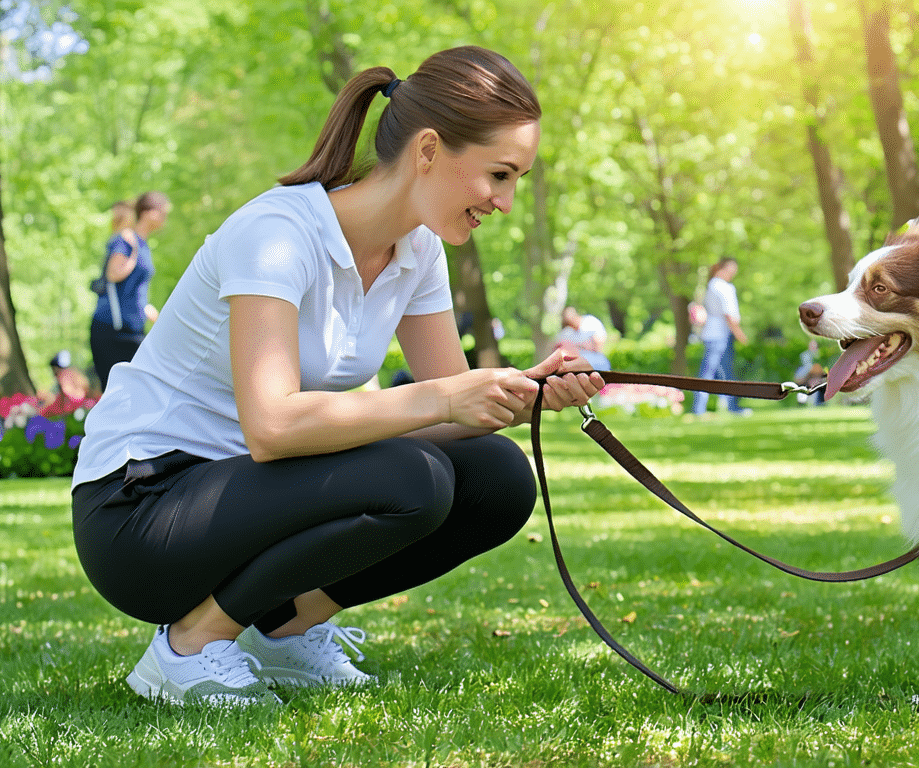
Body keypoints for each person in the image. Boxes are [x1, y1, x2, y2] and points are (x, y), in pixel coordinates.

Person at [69, 46, 603, 707]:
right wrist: (444, 396)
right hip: (142, 511)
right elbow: (272, 427)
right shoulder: (278, 234)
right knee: (412, 479)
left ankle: (283, 629)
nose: (506, 201)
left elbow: (450, 417)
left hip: (244, 500)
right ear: (429, 150)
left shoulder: (418, 251)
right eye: (499, 174)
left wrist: (525, 392)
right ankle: (189, 647)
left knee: (496, 476)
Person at [89, 192, 170, 389]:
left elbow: (133, 289)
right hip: (113, 330)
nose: (165, 220)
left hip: (132, 329)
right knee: (120, 393)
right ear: (149, 213)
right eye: (163, 213)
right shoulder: (125, 241)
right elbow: (113, 274)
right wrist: (132, 253)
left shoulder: (142, 244)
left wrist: (146, 309)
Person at [691, 257, 749, 416]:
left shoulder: (712, 285)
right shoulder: (721, 286)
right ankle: (699, 409)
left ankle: (732, 406)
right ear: (721, 269)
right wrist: (739, 333)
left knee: (725, 373)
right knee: (709, 373)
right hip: (718, 335)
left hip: (716, 334)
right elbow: (729, 314)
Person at [555, 306, 610, 371]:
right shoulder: (566, 332)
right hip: (574, 360)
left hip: (595, 359)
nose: (570, 325)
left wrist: (576, 347)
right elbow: (559, 349)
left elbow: (597, 347)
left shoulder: (591, 322)